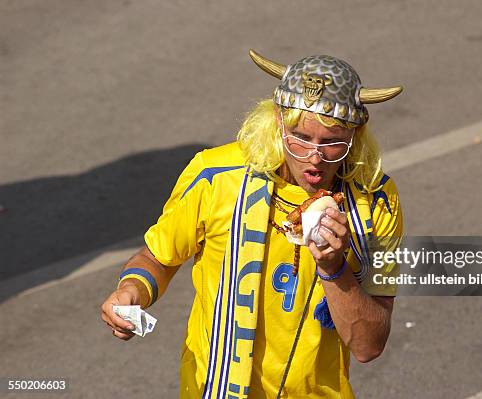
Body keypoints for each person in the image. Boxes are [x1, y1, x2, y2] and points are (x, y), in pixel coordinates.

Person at [100, 49, 404, 399]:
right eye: (300, 138)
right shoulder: (214, 176)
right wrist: (131, 292)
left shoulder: (378, 201)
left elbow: (369, 346)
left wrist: (334, 269)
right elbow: (158, 258)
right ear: (277, 120)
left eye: (332, 143)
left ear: (357, 133)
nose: (315, 158)